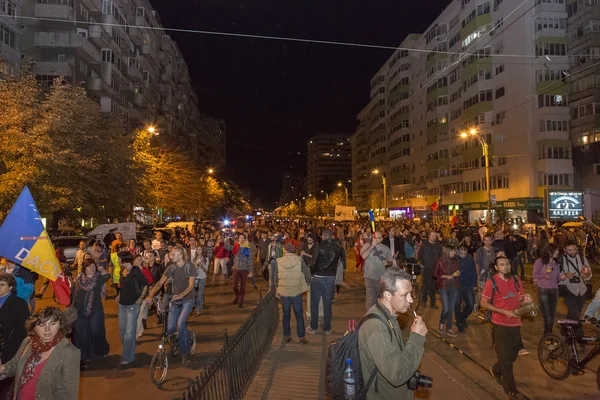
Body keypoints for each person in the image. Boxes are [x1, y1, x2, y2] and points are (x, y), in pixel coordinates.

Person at [358, 267, 427, 400]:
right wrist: (416, 338)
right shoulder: (376, 327)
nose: (411, 300)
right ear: (388, 295)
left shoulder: (389, 315)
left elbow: (397, 356)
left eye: (411, 294)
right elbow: (397, 374)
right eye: (404, 295)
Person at [0, 307, 80, 400]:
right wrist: (2, 369)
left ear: (60, 325)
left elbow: (69, 393)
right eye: (42, 325)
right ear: (34, 328)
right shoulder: (28, 342)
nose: (47, 329)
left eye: (53, 323)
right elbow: (15, 364)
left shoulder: (69, 352)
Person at [482, 256, 533, 400]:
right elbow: (484, 303)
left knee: (513, 354)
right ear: (496, 268)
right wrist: (502, 311)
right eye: (502, 265)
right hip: (500, 324)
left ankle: (496, 369)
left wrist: (526, 299)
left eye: (507, 264)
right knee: (505, 358)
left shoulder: (516, 280)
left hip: (516, 323)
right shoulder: (491, 282)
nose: (506, 267)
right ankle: (510, 391)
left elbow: (520, 300)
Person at [146, 246, 197, 363]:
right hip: (175, 300)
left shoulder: (190, 267)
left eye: (173, 254)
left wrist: (181, 295)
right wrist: (150, 295)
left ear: (180, 255)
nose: (171, 256)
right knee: (170, 328)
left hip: (188, 299)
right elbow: (160, 283)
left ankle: (185, 353)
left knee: (181, 324)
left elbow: (191, 286)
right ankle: (177, 344)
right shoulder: (171, 267)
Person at [71, 259, 110, 369]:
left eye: (93, 266)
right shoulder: (78, 279)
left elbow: (108, 276)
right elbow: (73, 294)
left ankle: (100, 351)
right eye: (89, 267)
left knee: (95, 331)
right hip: (79, 310)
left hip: (95, 310)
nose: (92, 269)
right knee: (81, 333)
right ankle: (83, 356)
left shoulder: (99, 278)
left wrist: (102, 269)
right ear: (84, 268)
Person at [273, 242, 311, 344]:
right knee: (299, 315)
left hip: (284, 293)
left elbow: (275, 277)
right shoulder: (299, 260)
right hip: (296, 292)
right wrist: (305, 284)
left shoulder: (279, 261)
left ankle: (287, 335)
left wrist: (277, 289)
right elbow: (307, 273)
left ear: (285, 250)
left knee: (286, 315)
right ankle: (301, 337)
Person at [306, 228, 342, 335]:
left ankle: (313, 327)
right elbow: (338, 261)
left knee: (314, 303)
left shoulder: (320, 246)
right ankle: (327, 328)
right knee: (327, 304)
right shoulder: (337, 247)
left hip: (318, 277)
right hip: (330, 277)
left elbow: (313, 262)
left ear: (323, 236)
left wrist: (313, 272)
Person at [0, 273, 30, 398]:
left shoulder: (19, 303)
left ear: (11, 287)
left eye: (2, 285)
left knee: (6, 384)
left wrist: (17, 351)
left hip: (9, 349)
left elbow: (22, 330)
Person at [116, 251, 148, 366]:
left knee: (129, 332)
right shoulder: (122, 270)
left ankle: (128, 357)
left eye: (119, 259)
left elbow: (146, 283)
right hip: (122, 304)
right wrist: (119, 295)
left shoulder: (135, 271)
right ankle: (129, 351)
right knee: (122, 331)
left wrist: (141, 297)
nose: (118, 261)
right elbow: (123, 285)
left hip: (132, 305)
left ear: (124, 259)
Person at [558, 240, 592, 340]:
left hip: (581, 289)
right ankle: (579, 337)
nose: (572, 252)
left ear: (577, 249)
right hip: (568, 289)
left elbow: (589, 274)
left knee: (575, 313)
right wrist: (565, 275)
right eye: (569, 250)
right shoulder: (560, 260)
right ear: (565, 250)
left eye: (574, 249)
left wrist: (586, 274)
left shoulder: (582, 258)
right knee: (575, 312)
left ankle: (565, 327)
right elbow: (555, 276)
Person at [532, 244, 560, 336]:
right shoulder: (539, 262)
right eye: (556, 250)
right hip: (544, 290)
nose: (558, 252)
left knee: (552, 315)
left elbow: (557, 277)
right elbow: (535, 275)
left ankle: (547, 335)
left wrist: (566, 276)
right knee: (548, 316)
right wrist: (544, 274)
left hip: (554, 290)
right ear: (550, 251)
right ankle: (548, 337)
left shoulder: (555, 263)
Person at [361, 231, 393, 311]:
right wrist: (372, 245)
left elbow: (390, 261)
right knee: (370, 299)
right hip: (369, 277)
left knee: (380, 299)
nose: (376, 239)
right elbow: (364, 256)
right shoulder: (367, 245)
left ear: (382, 239)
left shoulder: (385, 248)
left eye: (378, 238)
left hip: (380, 278)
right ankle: (369, 316)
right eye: (375, 238)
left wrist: (387, 263)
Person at [433, 245, 460, 337]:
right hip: (443, 287)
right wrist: (445, 276)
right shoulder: (440, 261)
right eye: (452, 251)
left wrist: (457, 273)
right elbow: (435, 274)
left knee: (451, 309)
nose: (454, 253)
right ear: (447, 251)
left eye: (454, 251)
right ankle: (441, 322)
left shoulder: (455, 260)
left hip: (454, 286)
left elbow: (458, 270)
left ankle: (449, 328)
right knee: (446, 308)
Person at [226, 233, 253, 308]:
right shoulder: (236, 247)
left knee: (242, 287)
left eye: (242, 238)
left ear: (244, 239)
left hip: (244, 270)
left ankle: (240, 301)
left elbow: (250, 260)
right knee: (234, 286)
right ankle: (238, 295)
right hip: (236, 269)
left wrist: (251, 271)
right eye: (240, 238)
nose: (241, 239)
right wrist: (227, 238)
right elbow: (226, 246)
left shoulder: (246, 248)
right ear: (238, 239)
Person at [417, 231, 442, 309]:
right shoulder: (424, 244)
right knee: (425, 286)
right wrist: (422, 263)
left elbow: (440, 256)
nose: (434, 237)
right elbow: (419, 255)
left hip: (435, 269)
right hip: (426, 268)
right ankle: (423, 301)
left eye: (435, 236)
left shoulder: (438, 245)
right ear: (429, 236)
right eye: (432, 236)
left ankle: (433, 303)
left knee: (433, 287)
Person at [455, 244, 477, 333]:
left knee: (471, 304)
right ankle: (459, 323)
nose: (463, 255)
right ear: (458, 252)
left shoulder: (470, 258)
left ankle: (461, 318)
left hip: (467, 285)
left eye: (465, 253)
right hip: (456, 286)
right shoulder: (454, 259)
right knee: (456, 305)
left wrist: (474, 284)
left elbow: (473, 271)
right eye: (461, 253)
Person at [188, 236, 208, 317]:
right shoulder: (195, 258)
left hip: (202, 278)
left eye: (200, 249)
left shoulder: (206, 258)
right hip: (195, 277)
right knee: (194, 294)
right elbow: (194, 268)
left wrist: (202, 265)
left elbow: (206, 270)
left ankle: (199, 310)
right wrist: (196, 265)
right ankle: (196, 308)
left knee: (200, 294)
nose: (199, 251)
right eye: (198, 249)